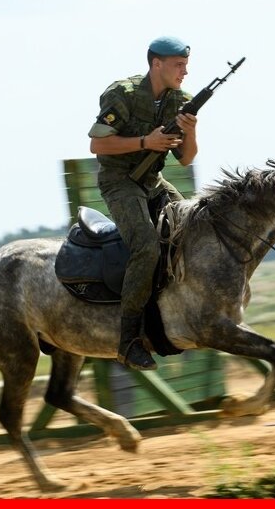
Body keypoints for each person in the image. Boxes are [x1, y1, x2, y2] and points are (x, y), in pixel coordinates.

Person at [88, 36, 198, 371]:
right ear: (156, 64)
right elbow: (97, 145)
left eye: (186, 65)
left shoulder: (180, 100)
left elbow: (186, 159)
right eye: (178, 65)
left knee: (195, 229)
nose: (184, 72)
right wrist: (145, 141)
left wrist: (191, 131)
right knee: (147, 248)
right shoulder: (122, 94)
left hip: (153, 181)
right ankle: (128, 341)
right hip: (120, 182)